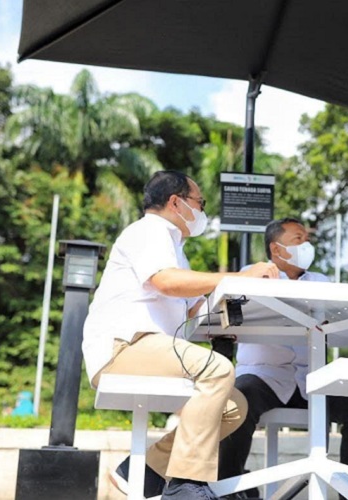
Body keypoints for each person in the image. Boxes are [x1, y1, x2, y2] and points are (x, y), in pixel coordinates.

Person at [82, 170, 279, 499]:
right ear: (175, 202)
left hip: (148, 346)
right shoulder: (150, 230)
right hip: (124, 346)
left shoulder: (175, 247)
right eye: (199, 202)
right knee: (217, 369)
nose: (202, 211)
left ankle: (145, 470)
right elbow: (167, 282)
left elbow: (194, 310)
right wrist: (235, 277)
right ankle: (187, 486)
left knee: (235, 406)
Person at [218, 219, 348, 497]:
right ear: (276, 249)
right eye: (298, 239)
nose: (306, 245)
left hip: (310, 379)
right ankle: (227, 488)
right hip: (263, 377)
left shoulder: (321, 282)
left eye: (307, 238)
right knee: (238, 400)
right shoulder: (249, 275)